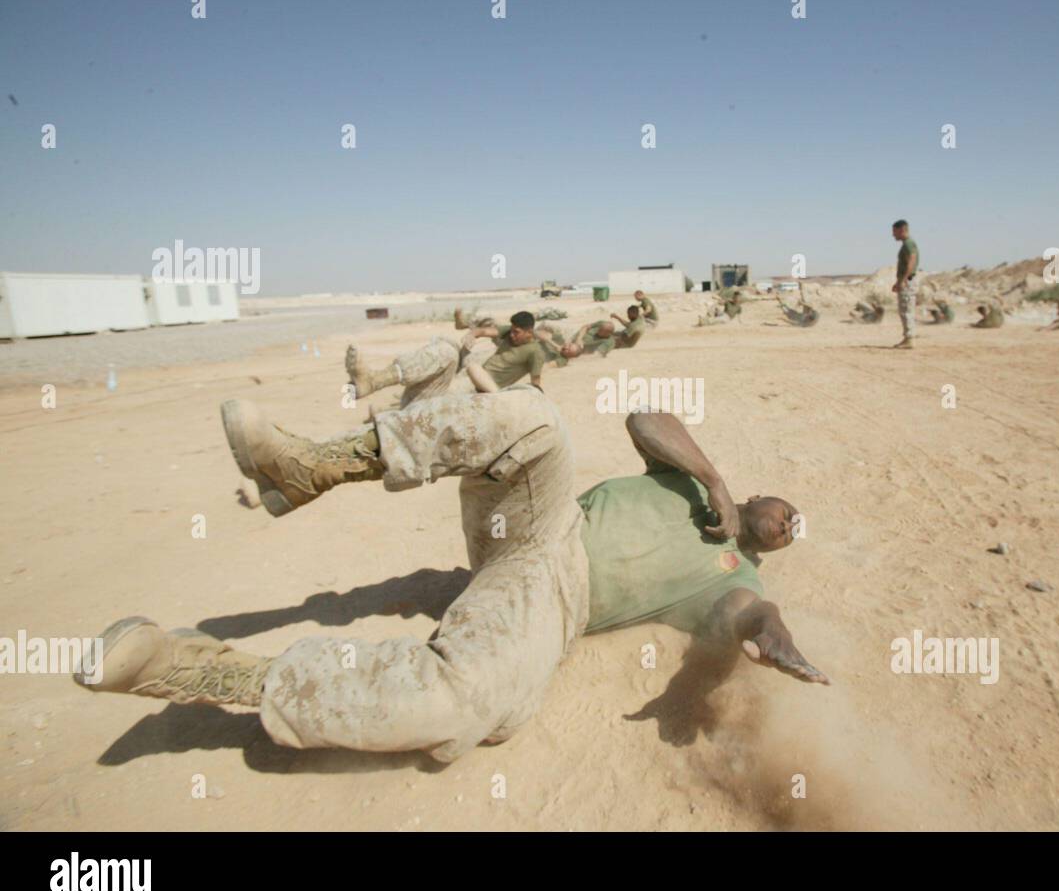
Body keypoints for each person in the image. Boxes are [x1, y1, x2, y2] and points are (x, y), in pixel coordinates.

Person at [73, 394, 827, 763]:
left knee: (465, 703)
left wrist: (778, 639)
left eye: (795, 530)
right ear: (760, 495)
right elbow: (642, 419)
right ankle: (312, 466)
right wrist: (716, 482)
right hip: (540, 521)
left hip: (552, 599)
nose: (789, 523)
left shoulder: (743, 583)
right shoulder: (698, 484)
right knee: (537, 419)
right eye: (787, 507)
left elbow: (750, 620)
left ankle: (189, 665)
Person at [346, 310, 546, 406]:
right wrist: (471, 336)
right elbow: (483, 330)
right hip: (467, 373)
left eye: (517, 332)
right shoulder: (509, 333)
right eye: (511, 331)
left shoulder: (535, 352)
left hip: (479, 386)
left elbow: (536, 384)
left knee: (453, 360)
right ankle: (374, 380)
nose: (512, 335)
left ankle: (387, 406)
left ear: (529, 332)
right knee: (446, 345)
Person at [891, 220, 919, 349]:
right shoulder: (907, 244)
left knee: (906, 310)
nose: (893, 235)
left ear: (902, 230)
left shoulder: (908, 244)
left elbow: (911, 262)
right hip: (907, 280)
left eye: (895, 232)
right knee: (905, 309)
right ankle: (909, 337)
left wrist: (903, 280)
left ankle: (909, 339)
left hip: (908, 281)